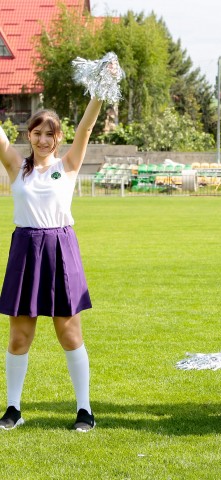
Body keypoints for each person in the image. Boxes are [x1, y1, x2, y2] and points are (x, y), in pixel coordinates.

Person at [0, 98, 103, 432]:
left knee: (69, 333)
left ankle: (85, 410)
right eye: (37, 133)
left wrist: (98, 93)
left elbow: (86, 126)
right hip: (26, 250)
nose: (43, 139)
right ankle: (13, 409)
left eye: (50, 134)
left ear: (59, 138)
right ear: (28, 135)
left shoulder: (69, 164)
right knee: (19, 336)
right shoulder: (17, 166)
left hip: (61, 248)